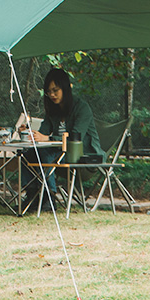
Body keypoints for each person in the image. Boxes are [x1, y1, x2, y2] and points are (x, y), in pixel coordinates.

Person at [20, 68, 104, 211]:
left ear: (65, 88)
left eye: (55, 90)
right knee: (26, 154)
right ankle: (32, 195)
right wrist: (29, 133)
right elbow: (43, 133)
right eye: (49, 92)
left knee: (46, 154)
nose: (52, 95)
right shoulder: (52, 109)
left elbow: (76, 138)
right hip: (60, 154)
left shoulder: (81, 108)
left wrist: (48, 138)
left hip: (83, 156)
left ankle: (50, 196)